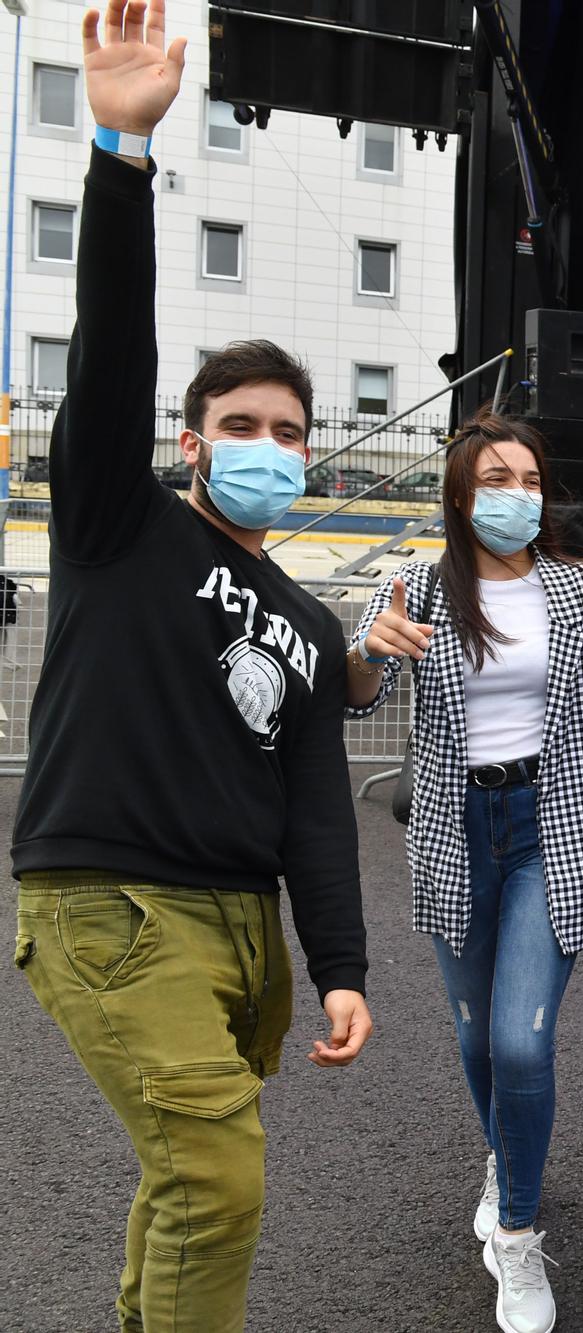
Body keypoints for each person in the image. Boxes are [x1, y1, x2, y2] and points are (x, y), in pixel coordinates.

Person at [10, 8, 372, 1329]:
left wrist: (340, 964)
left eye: (287, 429)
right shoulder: (120, 515)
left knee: (185, 1177)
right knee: (219, 1171)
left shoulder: (312, 626)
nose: (265, 442)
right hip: (112, 904)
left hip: (240, 929)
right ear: (192, 438)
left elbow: (320, 804)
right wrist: (118, 152)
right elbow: (109, 354)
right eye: (240, 425)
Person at [345, 410, 583, 1333]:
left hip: (554, 826)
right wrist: (368, 651)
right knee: (478, 1041)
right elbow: (353, 691)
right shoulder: (416, 585)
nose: (517, 496)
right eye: (496, 480)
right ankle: (507, 1153)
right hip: (457, 834)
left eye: (530, 480)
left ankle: (521, 1239)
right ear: (461, 495)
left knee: (523, 1043)